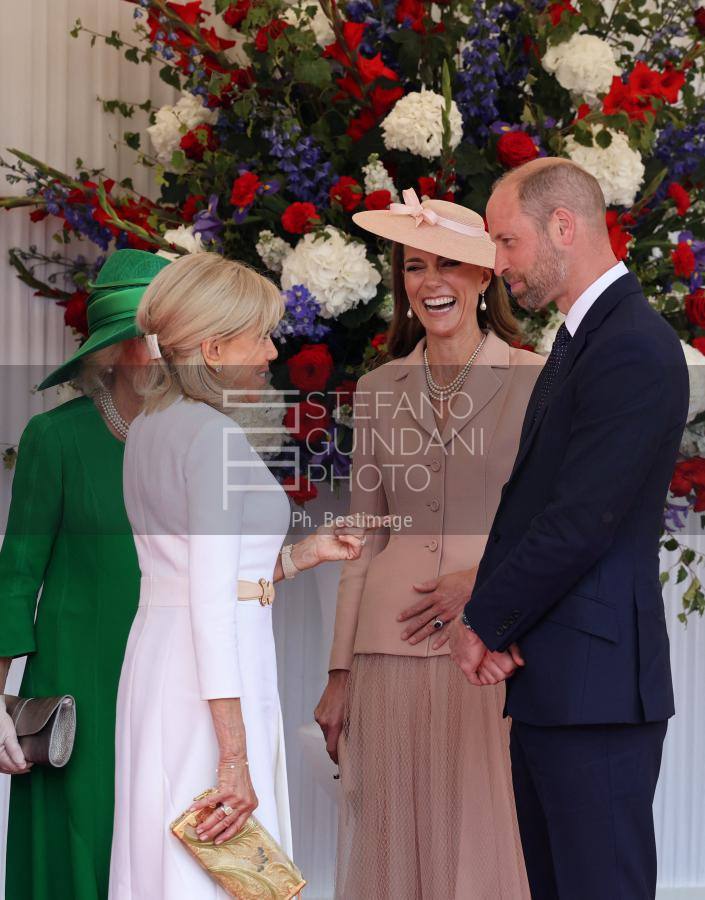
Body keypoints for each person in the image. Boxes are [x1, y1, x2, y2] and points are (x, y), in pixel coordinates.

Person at [449, 158, 689, 900]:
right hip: (562, 682)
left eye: (507, 241)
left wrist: (484, 619)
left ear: (562, 226)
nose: (498, 264)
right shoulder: (586, 338)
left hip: (596, 692)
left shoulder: (630, 344)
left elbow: (579, 522)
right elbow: (536, 506)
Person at [107, 252, 364, 900]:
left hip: (164, 663)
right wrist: (233, 756)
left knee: (167, 862)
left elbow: (203, 574)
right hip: (208, 677)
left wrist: (301, 556)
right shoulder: (212, 436)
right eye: (260, 336)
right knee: (215, 867)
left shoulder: (148, 427)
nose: (273, 352)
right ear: (214, 349)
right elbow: (211, 600)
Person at [314, 189, 543, 899]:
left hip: (490, 648)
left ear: (484, 274)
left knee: (485, 845)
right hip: (386, 653)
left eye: (448, 264)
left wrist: (489, 588)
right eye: (414, 266)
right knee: (391, 848)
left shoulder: (537, 381)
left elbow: (549, 524)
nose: (431, 282)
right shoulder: (377, 388)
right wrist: (339, 673)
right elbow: (363, 536)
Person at [0, 249, 172, 900]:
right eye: (160, 337)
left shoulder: (197, 439)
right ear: (119, 349)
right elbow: (16, 575)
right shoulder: (56, 437)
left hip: (171, 677)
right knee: (86, 845)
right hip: (81, 682)